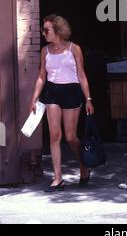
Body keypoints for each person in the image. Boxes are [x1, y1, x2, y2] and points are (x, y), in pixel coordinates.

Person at [30, 14, 94, 191]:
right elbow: (42, 76)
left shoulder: (74, 49)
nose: (43, 33)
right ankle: (57, 178)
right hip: (52, 92)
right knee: (54, 136)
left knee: (71, 137)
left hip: (72, 92)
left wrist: (88, 98)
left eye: (46, 30)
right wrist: (34, 98)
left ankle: (84, 164)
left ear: (57, 31)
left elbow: (81, 75)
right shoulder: (45, 51)